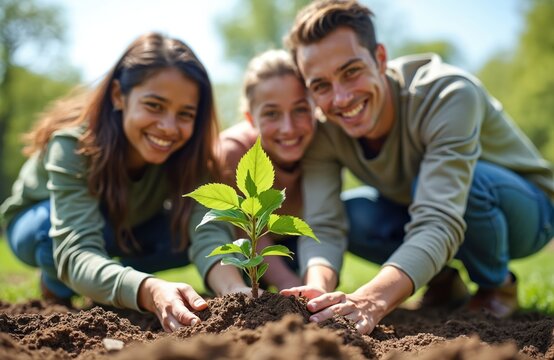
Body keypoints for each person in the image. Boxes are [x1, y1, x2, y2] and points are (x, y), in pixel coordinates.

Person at [280, 0, 554, 334]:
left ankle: (496, 285)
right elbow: (323, 223)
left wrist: (373, 299)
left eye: (351, 72)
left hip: (528, 213)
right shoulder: (323, 131)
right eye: (320, 85)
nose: (340, 99)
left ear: (380, 59)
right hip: (422, 206)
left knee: (471, 183)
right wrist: (318, 288)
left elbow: (439, 217)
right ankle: (441, 281)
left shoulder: (448, 94)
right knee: (354, 213)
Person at [0, 32, 249, 332]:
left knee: (191, 231)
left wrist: (235, 291)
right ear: (118, 95)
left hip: (126, 230)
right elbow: (75, 247)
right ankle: (59, 282)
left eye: (185, 114)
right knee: (48, 235)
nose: (168, 127)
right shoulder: (74, 145)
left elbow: (209, 235)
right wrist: (149, 290)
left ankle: (108, 281)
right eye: (154, 105)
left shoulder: (192, 155)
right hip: (45, 225)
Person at [218, 49, 316, 290]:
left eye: (300, 109)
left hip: (296, 243)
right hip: (249, 245)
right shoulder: (234, 151)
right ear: (251, 118)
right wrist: (289, 286)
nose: (288, 128)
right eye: (272, 113)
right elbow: (249, 233)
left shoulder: (320, 141)